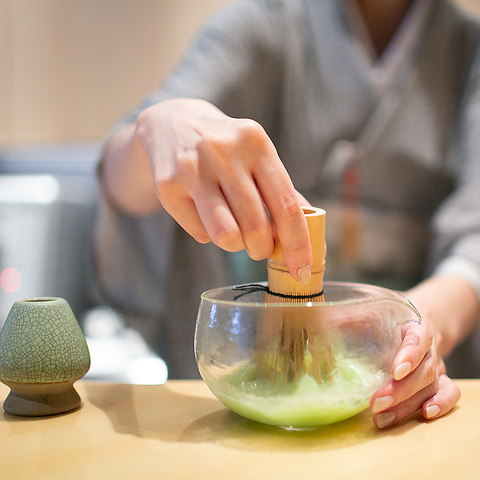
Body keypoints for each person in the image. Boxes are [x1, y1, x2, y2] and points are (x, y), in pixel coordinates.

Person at [94, 0, 480, 429]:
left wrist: (415, 328)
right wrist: (154, 132)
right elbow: (122, 176)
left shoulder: (467, 49)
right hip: (248, 386)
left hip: (401, 396)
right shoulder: (264, 24)